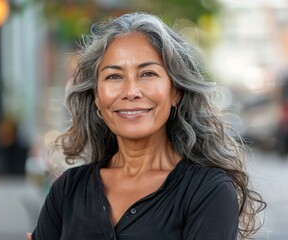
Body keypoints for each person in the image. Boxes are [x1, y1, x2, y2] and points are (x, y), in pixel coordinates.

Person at [28, 12, 266, 240]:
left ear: (176, 91)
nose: (131, 91)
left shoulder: (207, 191)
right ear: (97, 97)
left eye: (148, 74)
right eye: (114, 76)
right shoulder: (68, 189)